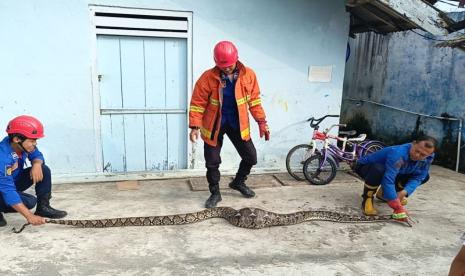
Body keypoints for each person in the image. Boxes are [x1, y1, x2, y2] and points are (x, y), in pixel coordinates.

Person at [189, 41, 270, 208]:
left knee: (251, 157)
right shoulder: (207, 78)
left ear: (236, 58)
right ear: (216, 62)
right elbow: (197, 103)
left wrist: (262, 122)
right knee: (212, 161)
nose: (226, 68)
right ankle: (215, 193)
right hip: (214, 125)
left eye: (229, 65)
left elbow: (254, 102)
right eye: (222, 65)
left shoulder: (249, 75)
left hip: (237, 124)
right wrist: (195, 127)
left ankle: (238, 182)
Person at [0, 115, 67, 227]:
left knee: (43, 169)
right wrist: (29, 216)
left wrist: (36, 164)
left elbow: (37, 155)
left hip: (12, 181)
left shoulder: (21, 144)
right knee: (29, 202)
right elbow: (7, 190)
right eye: (32, 140)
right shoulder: (3, 158)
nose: (35, 143)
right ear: (17, 139)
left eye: (35, 140)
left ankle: (43, 208)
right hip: (3, 186)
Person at [354, 135, 436, 220]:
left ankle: (384, 195)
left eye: (422, 155)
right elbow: (389, 179)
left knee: (425, 176)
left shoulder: (429, 157)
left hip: (395, 172)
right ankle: (367, 197)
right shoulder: (398, 154)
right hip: (365, 167)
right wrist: (397, 207)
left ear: (429, 154)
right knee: (379, 169)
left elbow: (419, 177)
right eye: (416, 151)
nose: (417, 155)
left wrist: (404, 192)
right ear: (413, 143)